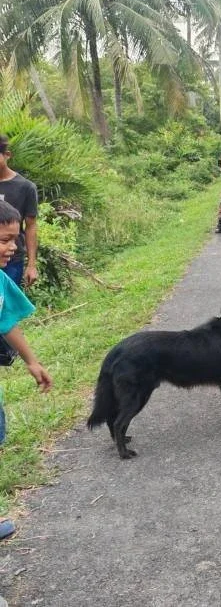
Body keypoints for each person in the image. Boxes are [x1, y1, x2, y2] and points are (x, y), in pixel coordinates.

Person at [0, 200, 53, 541]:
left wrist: (32, 362)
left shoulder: (1, 281)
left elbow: (7, 322)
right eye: (5, 240)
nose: (13, 247)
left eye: (16, 239)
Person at [0, 135, 39, 288]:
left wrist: (32, 264)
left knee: (6, 300)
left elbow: (31, 226)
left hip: (12, 260)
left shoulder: (25, 187)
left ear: (7, 155)